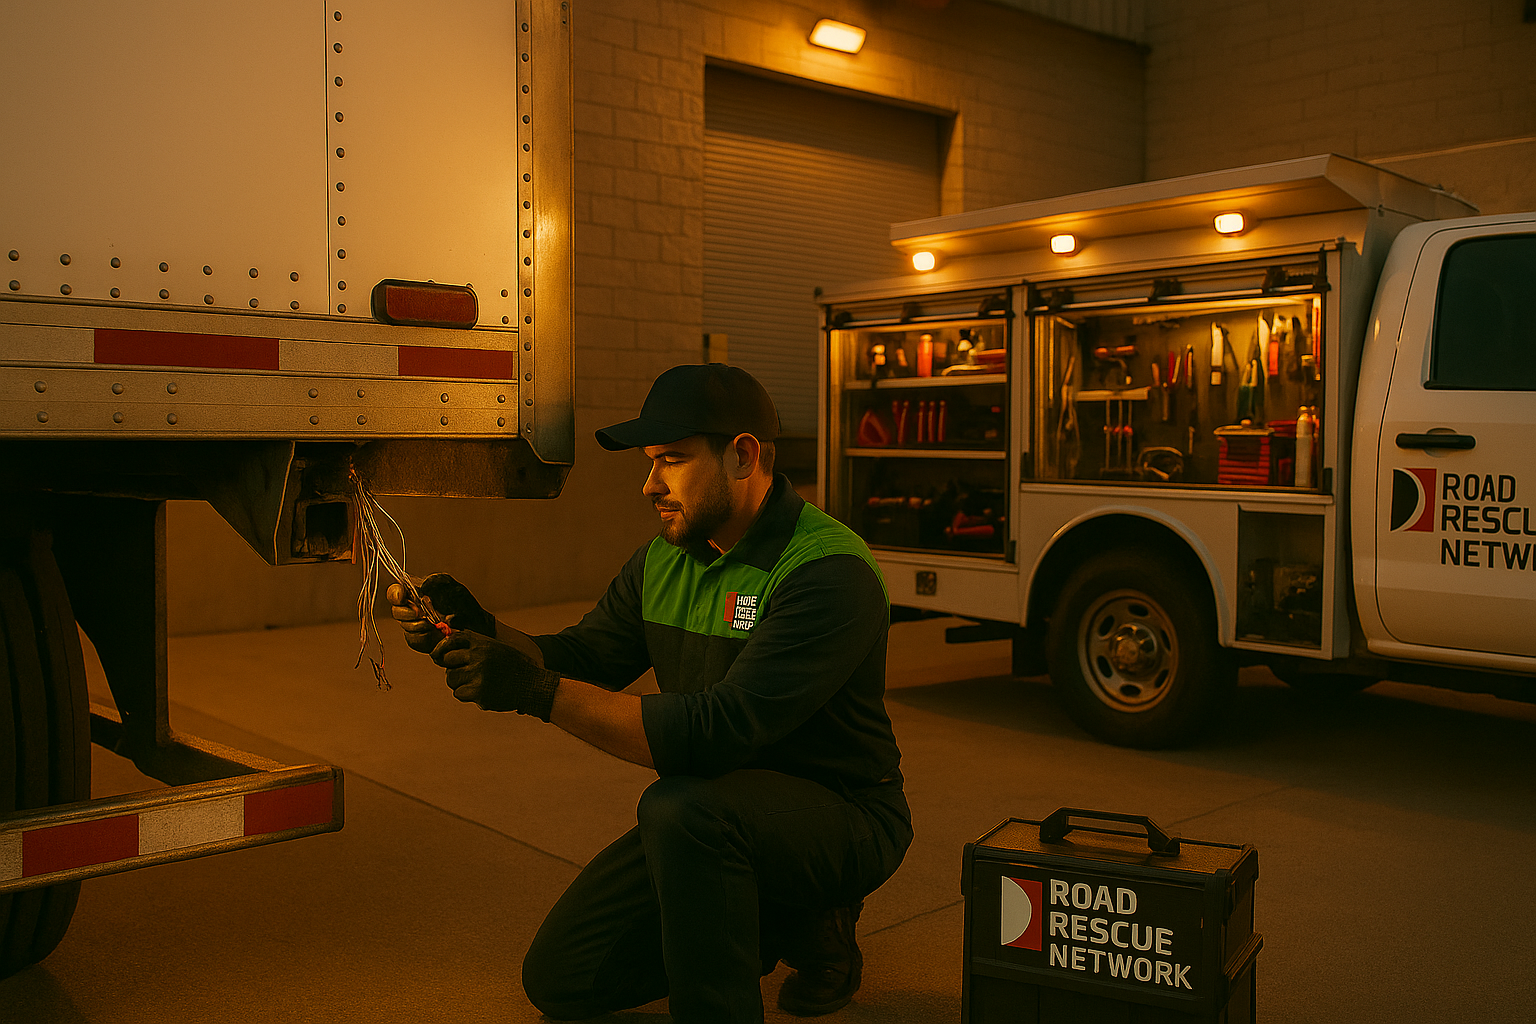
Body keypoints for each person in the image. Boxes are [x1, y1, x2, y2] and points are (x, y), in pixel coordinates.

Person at [387, 363, 911, 1023]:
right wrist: (481, 630)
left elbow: (717, 730)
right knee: (562, 980)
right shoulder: (668, 556)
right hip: (713, 816)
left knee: (680, 806)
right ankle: (763, 924)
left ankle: (810, 918)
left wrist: (534, 692)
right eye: (649, 462)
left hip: (840, 821)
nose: (649, 484)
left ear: (744, 455)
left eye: (671, 461)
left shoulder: (827, 572)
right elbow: (585, 657)